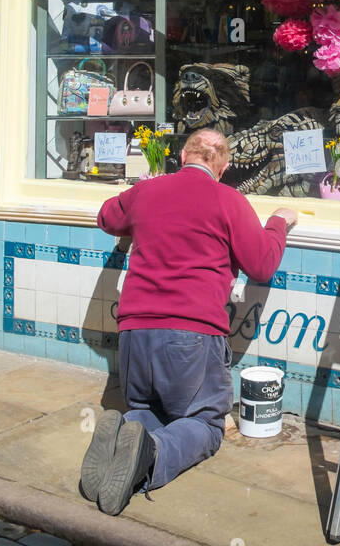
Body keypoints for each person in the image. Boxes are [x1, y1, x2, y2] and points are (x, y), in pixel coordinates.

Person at [80, 128, 297, 515]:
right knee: (206, 424)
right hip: (191, 336)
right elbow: (262, 264)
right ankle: (150, 457)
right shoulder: (228, 200)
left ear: (182, 156)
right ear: (224, 166)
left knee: (146, 410)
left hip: (134, 334)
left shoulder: (147, 192)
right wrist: (279, 221)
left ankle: (125, 441)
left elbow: (106, 217)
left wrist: (140, 214)